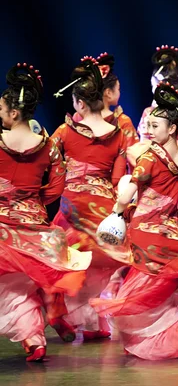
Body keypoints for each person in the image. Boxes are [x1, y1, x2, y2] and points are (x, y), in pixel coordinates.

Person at [90, 82, 178, 360]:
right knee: (164, 293)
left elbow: (129, 192)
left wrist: (118, 210)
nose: (148, 130)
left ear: (171, 129)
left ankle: (163, 342)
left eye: (155, 126)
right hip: (175, 232)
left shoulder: (149, 158)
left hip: (146, 231)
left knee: (142, 291)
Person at [0, 62, 91, 361]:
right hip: (35, 224)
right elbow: (57, 185)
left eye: (1, 109)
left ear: (14, 112)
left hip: (3, 225)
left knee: (11, 287)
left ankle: (34, 337)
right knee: (28, 282)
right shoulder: (48, 145)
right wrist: (35, 202)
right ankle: (40, 331)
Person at [51, 57, 130, 341]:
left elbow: (49, 169)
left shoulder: (63, 132)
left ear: (80, 103)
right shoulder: (118, 134)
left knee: (68, 258)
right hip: (103, 205)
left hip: (72, 201)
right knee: (101, 265)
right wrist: (122, 210)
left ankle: (59, 306)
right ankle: (96, 324)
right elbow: (118, 178)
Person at [96, 52, 138, 148]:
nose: (119, 92)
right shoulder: (123, 121)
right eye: (118, 89)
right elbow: (133, 152)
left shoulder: (80, 118)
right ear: (109, 93)